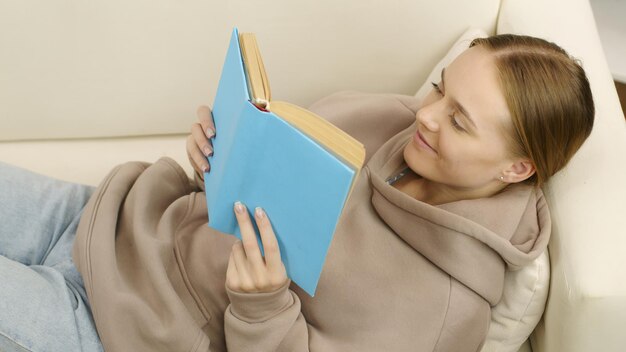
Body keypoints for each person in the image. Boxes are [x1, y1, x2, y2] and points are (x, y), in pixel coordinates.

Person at [0, 34, 594, 352]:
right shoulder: (395, 121)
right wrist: (221, 153)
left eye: (460, 120)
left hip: (114, 329)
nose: (427, 116)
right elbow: (255, 190)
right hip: (107, 218)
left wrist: (263, 305)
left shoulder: (446, 315)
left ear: (518, 168)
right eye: (440, 90)